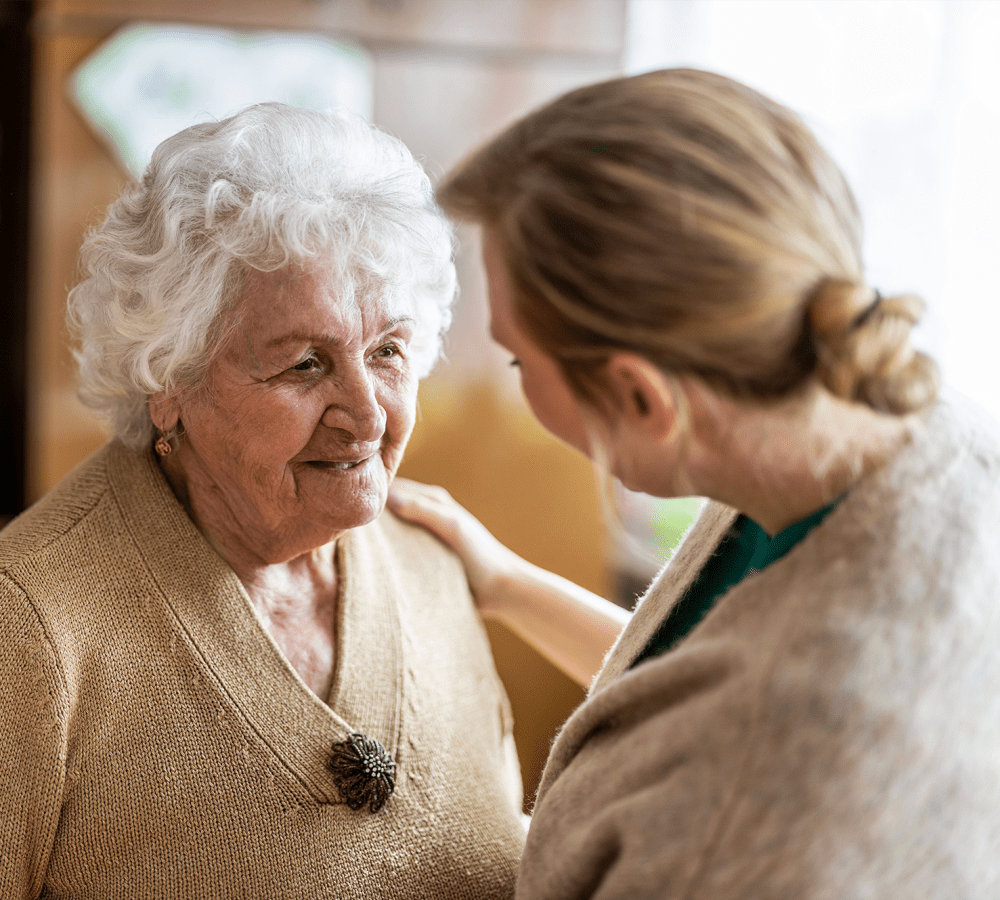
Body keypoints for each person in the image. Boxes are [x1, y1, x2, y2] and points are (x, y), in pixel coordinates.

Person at [389, 69, 1000, 898]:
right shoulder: (902, 431)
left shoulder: (758, 798)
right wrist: (506, 585)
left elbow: (738, 734)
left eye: (517, 360)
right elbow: (696, 680)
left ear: (641, 396)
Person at [0, 102, 526, 899]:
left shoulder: (435, 566)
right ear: (168, 381)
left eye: (388, 350)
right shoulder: (31, 625)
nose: (370, 412)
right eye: (305, 365)